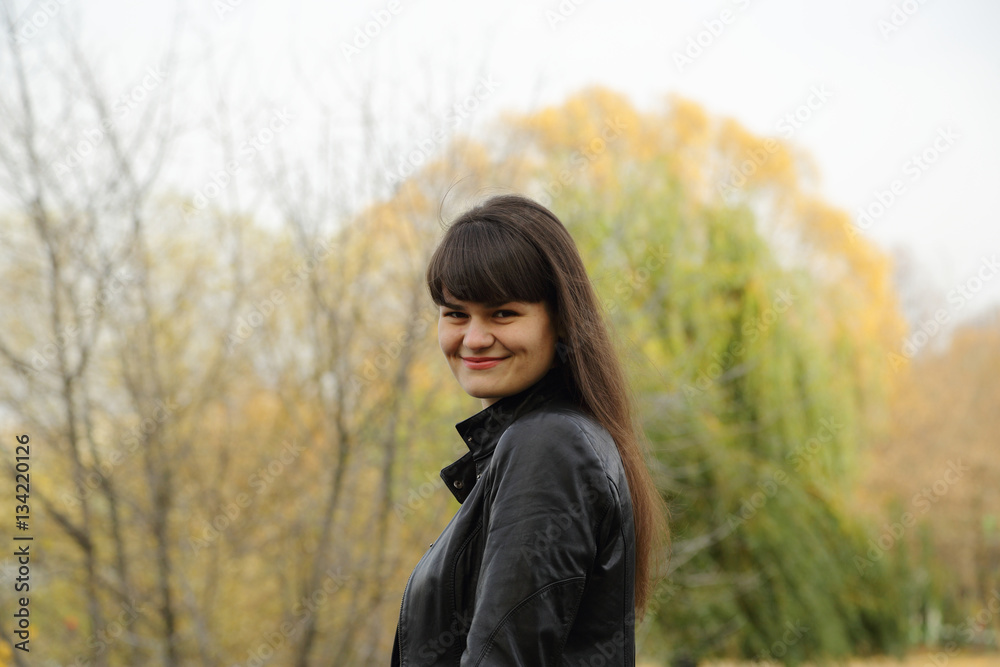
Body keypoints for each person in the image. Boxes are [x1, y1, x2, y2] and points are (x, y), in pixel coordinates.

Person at [391, 194, 668, 666]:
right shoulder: (552, 440)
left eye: (503, 313)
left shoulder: (548, 446)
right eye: (456, 313)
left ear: (559, 321)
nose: (474, 339)